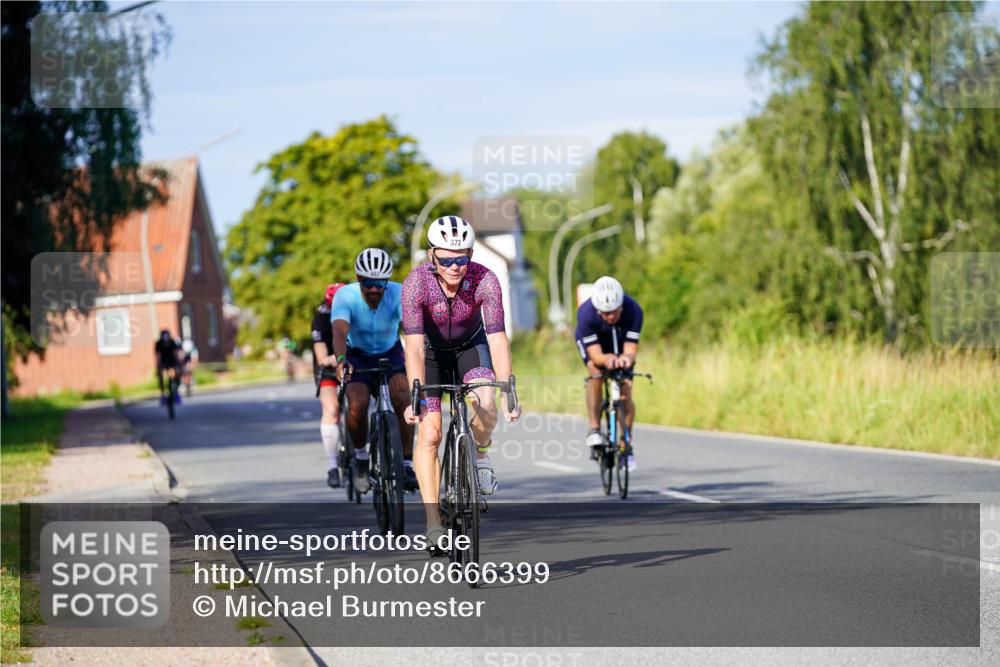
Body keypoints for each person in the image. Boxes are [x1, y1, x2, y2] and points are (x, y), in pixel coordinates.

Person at [401, 215, 521, 548]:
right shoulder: (416, 284)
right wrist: (416, 393)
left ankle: (480, 455)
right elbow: (412, 346)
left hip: (471, 347)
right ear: (431, 256)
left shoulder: (485, 280)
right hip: (430, 355)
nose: (456, 266)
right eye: (446, 259)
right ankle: (433, 524)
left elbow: (497, 338)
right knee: (430, 433)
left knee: (486, 403)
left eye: (463, 257)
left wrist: (508, 388)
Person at [331, 248, 417, 495]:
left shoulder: (400, 293)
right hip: (356, 354)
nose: (374, 290)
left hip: (390, 352)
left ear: (387, 282)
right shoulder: (344, 296)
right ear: (359, 279)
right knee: (357, 403)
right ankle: (360, 459)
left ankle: (407, 464)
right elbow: (339, 332)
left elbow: (411, 330)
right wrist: (340, 360)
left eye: (380, 284)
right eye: (368, 283)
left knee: (403, 397)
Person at [575, 276, 643, 471]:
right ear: (598, 309)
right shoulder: (586, 313)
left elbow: (630, 350)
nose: (610, 316)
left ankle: (626, 445)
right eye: (605, 313)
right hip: (595, 343)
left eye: (613, 311)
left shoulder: (634, 311)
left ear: (620, 305)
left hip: (620, 341)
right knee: (595, 372)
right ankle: (594, 427)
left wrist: (625, 360)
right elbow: (596, 356)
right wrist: (608, 360)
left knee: (626, 392)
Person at [312, 282, 346, 488]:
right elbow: (321, 356)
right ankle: (332, 466)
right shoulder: (320, 319)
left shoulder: (356, 312)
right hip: (329, 368)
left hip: (351, 364)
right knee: (332, 410)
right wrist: (338, 357)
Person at [154, 330, 183, 404]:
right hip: (163, 362)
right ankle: (163, 395)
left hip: (172, 362)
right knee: (160, 375)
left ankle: (176, 393)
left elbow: (176, 354)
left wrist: (179, 365)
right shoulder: (158, 344)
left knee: (177, 373)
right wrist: (158, 367)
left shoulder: (172, 342)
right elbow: (158, 356)